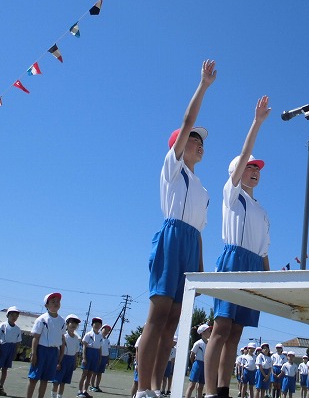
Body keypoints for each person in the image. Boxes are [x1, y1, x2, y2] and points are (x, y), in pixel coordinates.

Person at [136, 59, 217, 398]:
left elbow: (198, 231)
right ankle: (143, 388)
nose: (200, 143)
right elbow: (187, 121)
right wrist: (203, 85)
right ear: (181, 145)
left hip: (191, 245)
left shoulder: (203, 189)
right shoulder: (173, 169)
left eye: (201, 140)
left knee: (173, 321)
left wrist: (198, 266)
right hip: (171, 238)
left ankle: (156, 387)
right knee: (157, 316)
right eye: (194, 139)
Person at [204, 95, 272, 398]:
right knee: (220, 329)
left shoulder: (262, 212)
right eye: (249, 167)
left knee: (236, 332)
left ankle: (222, 389)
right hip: (233, 260)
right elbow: (245, 152)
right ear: (238, 170)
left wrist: (269, 282)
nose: (254, 171)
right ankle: (208, 390)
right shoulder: (231, 194)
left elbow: (265, 251)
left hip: (254, 267)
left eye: (257, 168)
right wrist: (257, 122)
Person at [26, 292, 65, 398]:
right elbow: (36, 337)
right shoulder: (42, 319)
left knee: (45, 379)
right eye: (53, 302)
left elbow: (62, 339)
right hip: (41, 350)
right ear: (46, 305)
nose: (56, 303)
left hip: (53, 352)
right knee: (34, 378)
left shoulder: (62, 321)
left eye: (58, 301)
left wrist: (60, 356)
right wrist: (34, 353)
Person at [0, 306, 22, 396]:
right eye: (12, 315)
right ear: (7, 315)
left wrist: (15, 353)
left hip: (11, 349)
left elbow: (18, 342)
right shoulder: (3, 325)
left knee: (5, 370)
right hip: (3, 347)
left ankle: (1, 387)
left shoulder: (17, 329)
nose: (14, 317)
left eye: (16, 315)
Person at [51, 314, 82, 398]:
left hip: (70, 361)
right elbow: (58, 349)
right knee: (56, 381)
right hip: (62, 359)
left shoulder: (76, 338)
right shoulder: (63, 336)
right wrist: (58, 362)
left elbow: (76, 352)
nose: (73, 325)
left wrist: (75, 363)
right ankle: (53, 396)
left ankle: (59, 396)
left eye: (76, 323)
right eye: (72, 322)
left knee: (63, 382)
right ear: (67, 324)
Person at [79, 317, 104, 398]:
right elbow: (84, 346)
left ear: (101, 326)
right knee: (84, 374)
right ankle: (80, 391)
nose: (97, 325)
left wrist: (100, 358)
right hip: (88, 353)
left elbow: (100, 348)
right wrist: (84, 357)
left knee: (90, 374)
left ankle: (85, 391)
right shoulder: (88, 334)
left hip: (95, 354)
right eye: (95, 324)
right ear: (92, 325)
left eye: (99, 324)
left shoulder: (100, 336)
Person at [186, 324, 212, 398]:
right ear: (203, 333)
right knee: (192, 385)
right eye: (208, 330)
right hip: (197, 364)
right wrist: (193, 364)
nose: (210, 331)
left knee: (201, 386)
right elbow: (192, 355)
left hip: (205, 365)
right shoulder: (198, 343)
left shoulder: (210, 343)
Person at [90, 324, 111, 392]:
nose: (106, 331)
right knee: (94, 372)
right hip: (98, 356)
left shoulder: (107, 341)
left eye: (108, 330)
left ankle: (97, 386)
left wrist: (107, 360)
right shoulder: (98, 337)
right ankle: (92, 386)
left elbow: (108, 351)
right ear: (101, 329)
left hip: (104, 358)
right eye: (105, 329)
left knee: (100, 373)